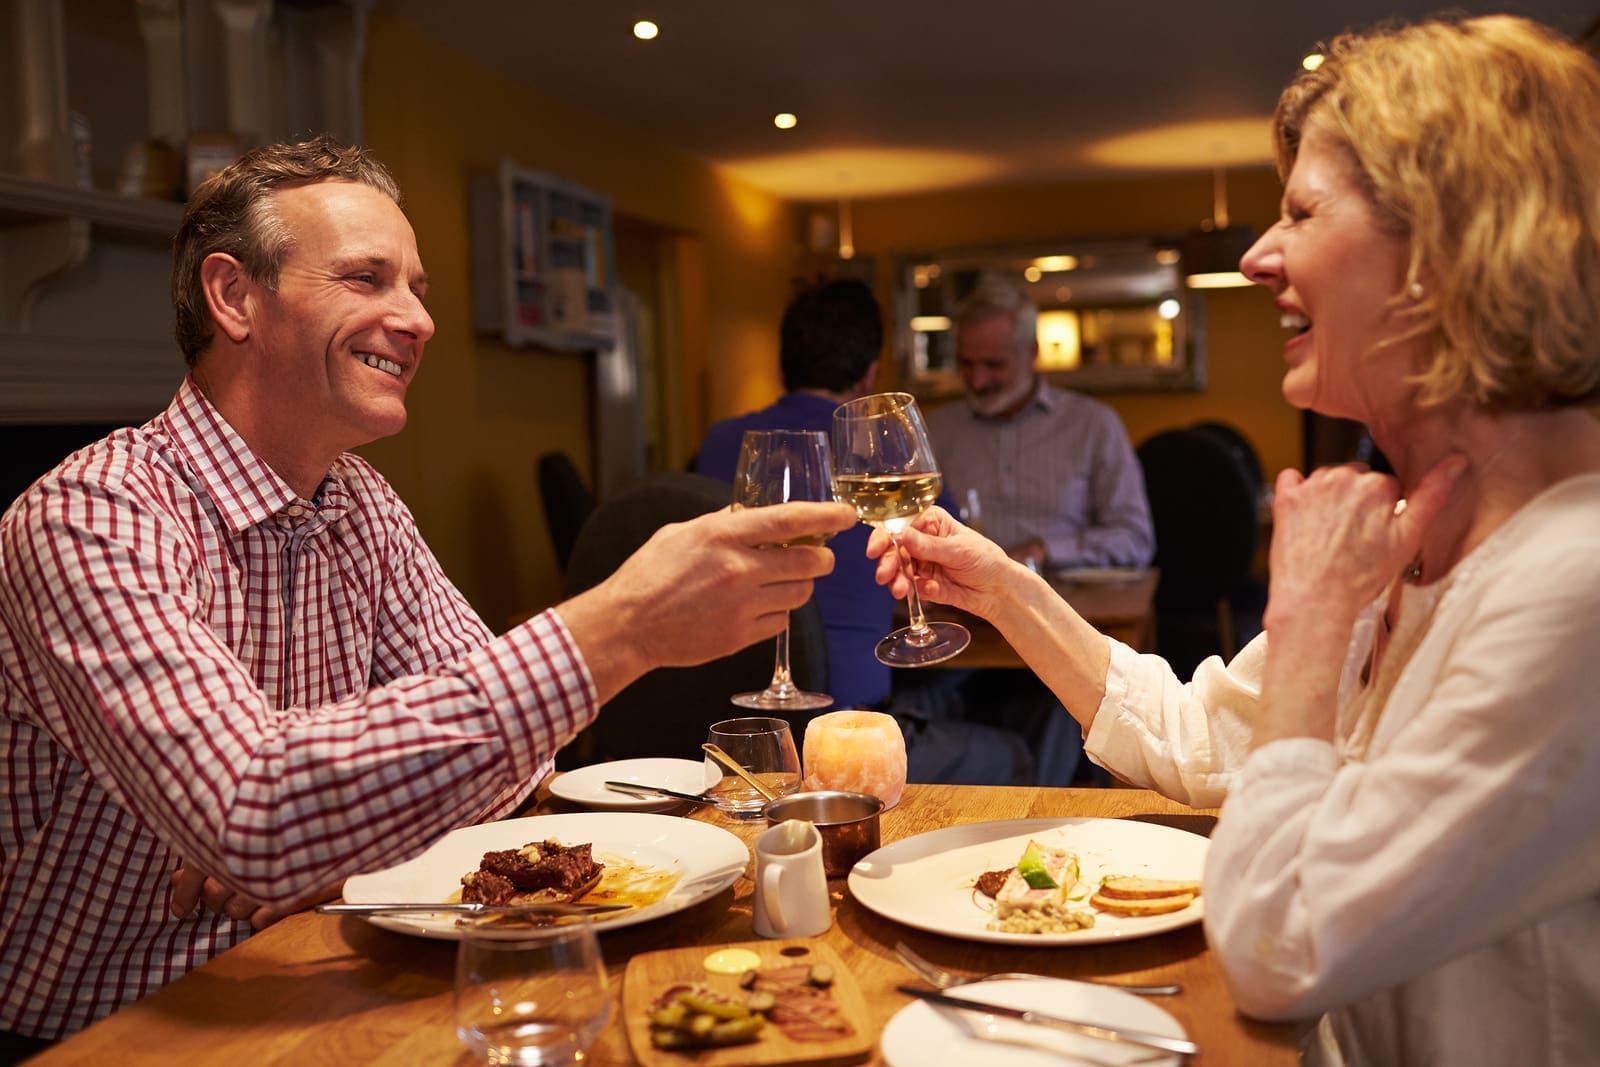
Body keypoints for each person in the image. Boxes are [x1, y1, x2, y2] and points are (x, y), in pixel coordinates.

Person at [0, 136, 854, 1051]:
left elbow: (518, 759)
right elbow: (251, 808)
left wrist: (322, 833)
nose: (415, 318)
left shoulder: (359, 499)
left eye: (417, 287)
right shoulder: (89, 514)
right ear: (234, 296)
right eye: (367, 278)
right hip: (114, 1027)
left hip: (314, 970)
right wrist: (620, 624)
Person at [869, 15, 1600, 1065]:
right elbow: (1200, 737)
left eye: (1301, 211)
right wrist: (998, 589)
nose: (1257, 256)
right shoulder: (1418, 525)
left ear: (1444, 248)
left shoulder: (1567, 579)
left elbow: (1278, 944)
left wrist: (1302, 616)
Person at [695, 279, 1034, 784]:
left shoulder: (725, 446)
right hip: (851, 738)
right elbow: (944, 558)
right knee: (1014, 751)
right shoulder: (878, 449)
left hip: (735, 733)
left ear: (782, 369)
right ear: (871, 372)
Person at [925, 273, 1154, 572]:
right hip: (961, 608)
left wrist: (1043, 551)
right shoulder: (936, 431)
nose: (978, 381)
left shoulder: (1094, 425)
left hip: (1070, 607)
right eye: (966, 364)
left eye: (993, 365)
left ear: (1032, 353)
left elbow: (1135, 539)